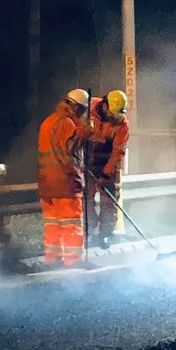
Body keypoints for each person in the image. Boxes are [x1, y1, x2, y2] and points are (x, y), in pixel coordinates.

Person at [36, 89, 90, 265]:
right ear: (75, 107)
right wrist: (84, 132)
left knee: (53, 225)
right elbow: (71, 151)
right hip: (65, 183)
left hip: (46, 183)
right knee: (72, 224)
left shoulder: (47, 122)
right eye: (81, 111)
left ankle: (53, 260)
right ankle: (74, 261)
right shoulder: (66, 123)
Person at [82, 89, 130, 247]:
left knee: (109, 200)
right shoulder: (89, 109)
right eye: (114, 114)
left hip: (107, 163)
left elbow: (118, 151)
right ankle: (91, 230)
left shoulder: (122, 124)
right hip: (88, 161)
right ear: (105, 106)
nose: (117, 118)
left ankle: (105, 234)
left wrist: (106, 173)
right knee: (86, 198)